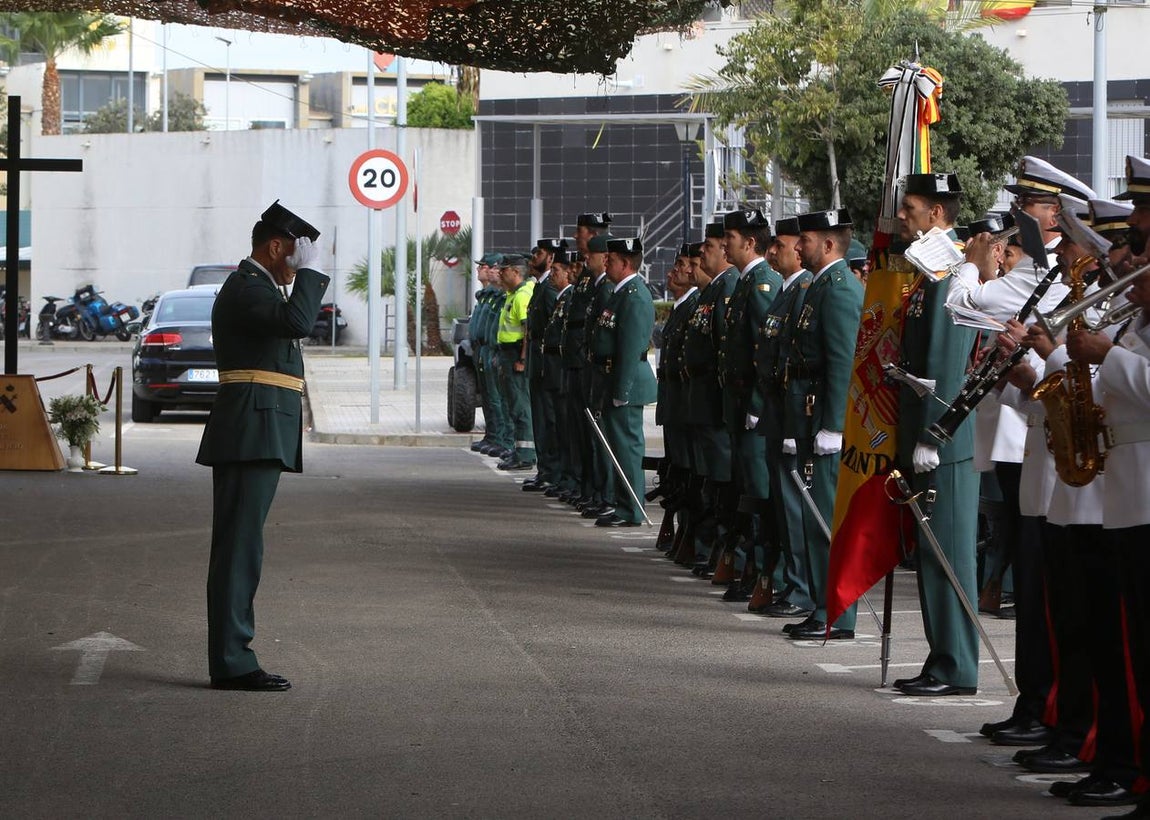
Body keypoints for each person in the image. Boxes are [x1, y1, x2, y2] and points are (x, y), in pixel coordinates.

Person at [196, 201, 330, 692]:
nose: (299, 261)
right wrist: (314, 275)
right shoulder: (247, 287)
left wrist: (306, 273)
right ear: (275, 246)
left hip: (259, 427)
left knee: (243, 547)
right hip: (250, 429)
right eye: (296, 251)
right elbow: (296, 322)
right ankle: (232, 660)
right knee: (238, 550)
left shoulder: (260, 286)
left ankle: (233, 655)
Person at [891, 172, 980, 695]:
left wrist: (934, 435)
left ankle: (957, 666)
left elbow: (946, 363)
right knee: (931, 552)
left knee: (948, 554)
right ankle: (941, 659)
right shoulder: (929, 271)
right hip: (925, 437)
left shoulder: (947, 271)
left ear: (937, 215)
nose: (902, 215)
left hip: (941, 443)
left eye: (911, 208)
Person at [780, 207, 863, 641]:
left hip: (824, 423)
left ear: (829, 244)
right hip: (807, 417)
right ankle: (820, 604)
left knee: (826, 518)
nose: (798, 246)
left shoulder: (841, 289)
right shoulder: (818, 287)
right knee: (813, 518)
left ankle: (836, 612)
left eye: (806, 240)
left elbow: (842, 363)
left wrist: (834, 424)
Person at [590, 236, 658, 527]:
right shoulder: (619, 292)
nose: (606, 263)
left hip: (625, 380)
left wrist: (622, 389)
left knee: (627, 447)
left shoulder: (634, 295)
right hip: (611, 376)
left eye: (612, 260)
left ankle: (631, 508)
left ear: (626, 264)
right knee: (617, 446)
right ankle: (622, 503)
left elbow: (630, 347)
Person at [495, 255, 537, 471]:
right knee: (513, 406)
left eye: (504, 270)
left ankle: (526, 454)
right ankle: (519, 449)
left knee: (521, 407)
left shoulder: (522, 296)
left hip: (515, 357)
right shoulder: (513, 295)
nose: (500, 274)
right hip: (507, 355)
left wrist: (522, 359)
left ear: (516, 272)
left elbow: (528, 332)